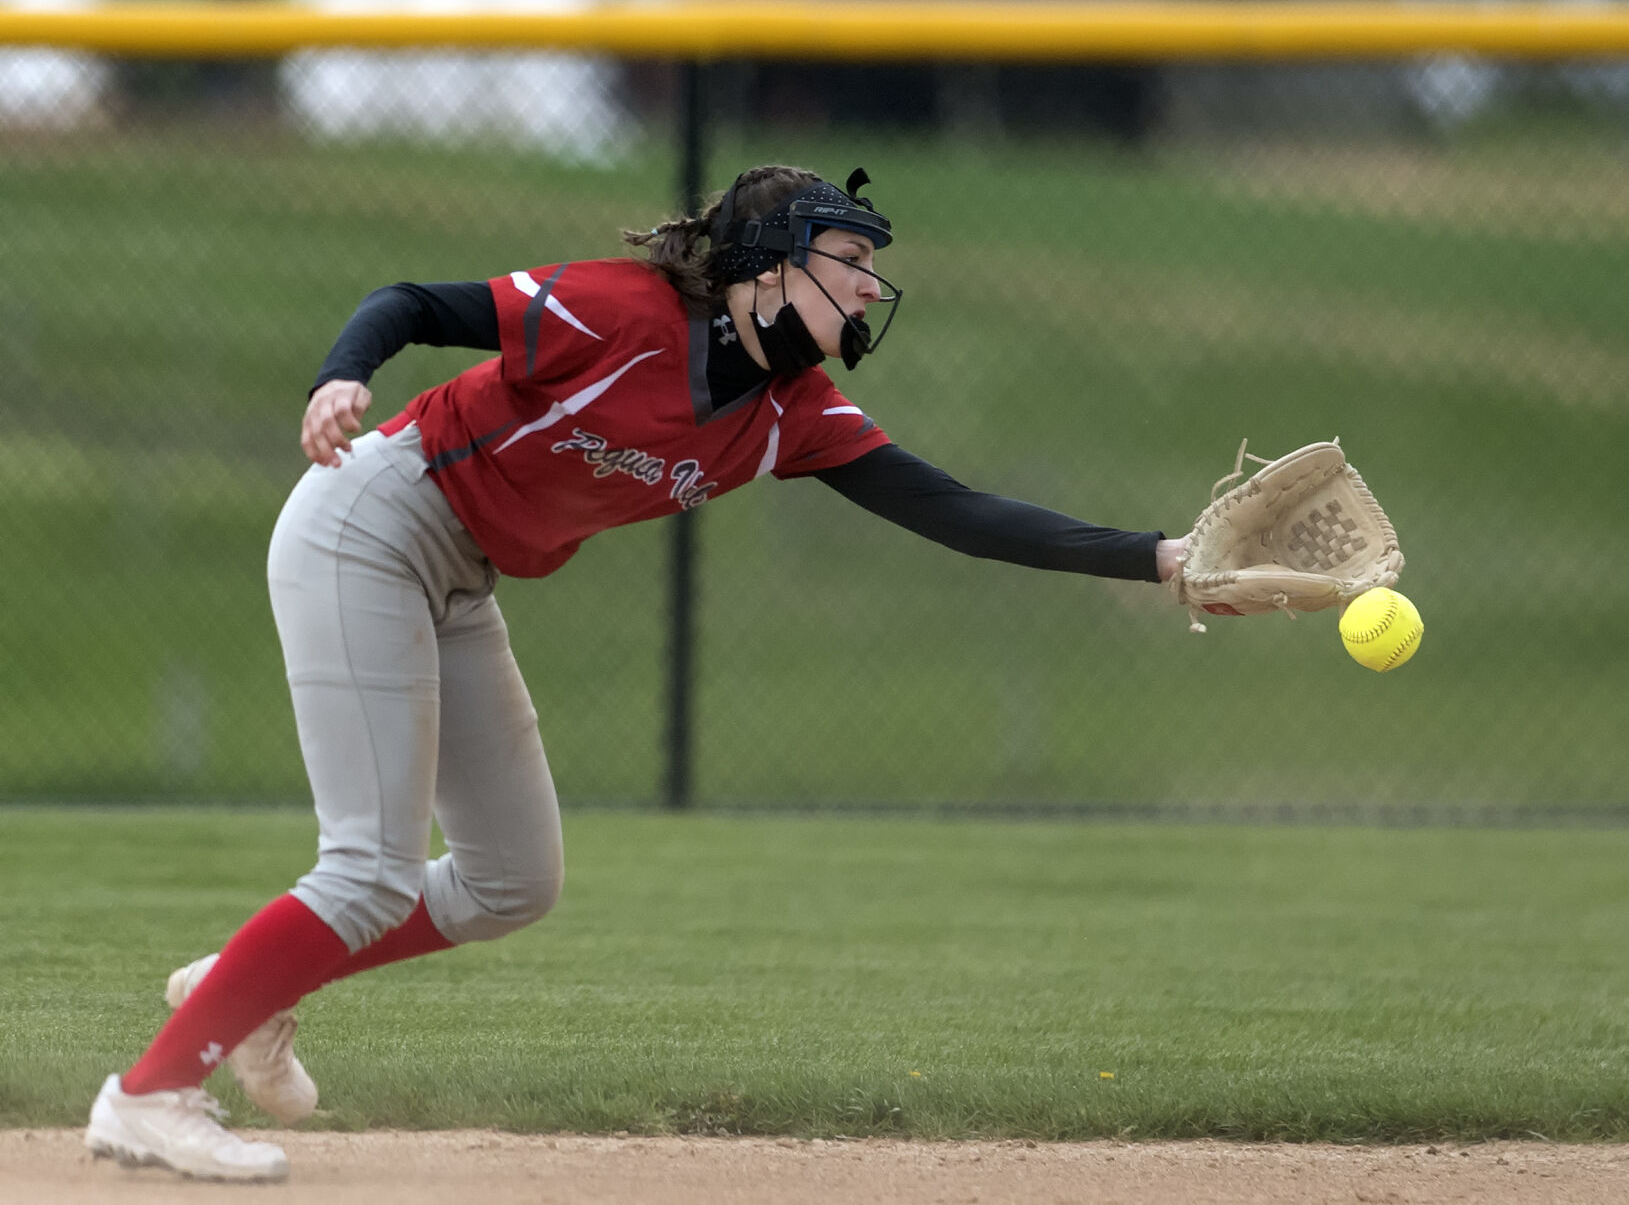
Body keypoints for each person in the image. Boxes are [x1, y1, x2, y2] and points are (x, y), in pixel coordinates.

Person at [84, 163, 1188, 1183]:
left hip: (461, 572)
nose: (868, 288)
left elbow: (958, 511)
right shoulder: (618, 312)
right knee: (369, 869)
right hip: (372, 522)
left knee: (513, 878)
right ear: (766, 265)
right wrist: (339, 379)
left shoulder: (789, 414)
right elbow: (413, 302)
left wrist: (1159, 561)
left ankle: (246, 988)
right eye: (847, 262)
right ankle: (149, 1094)